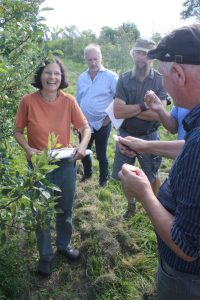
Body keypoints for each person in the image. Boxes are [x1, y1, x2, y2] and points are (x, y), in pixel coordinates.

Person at [118, 24, 200, 300]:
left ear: (177, 73)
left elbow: (187, 247)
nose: (163, 83)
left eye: (163, 75)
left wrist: (144, 194)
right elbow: (188, 147)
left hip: (185, 279)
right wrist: (145, 145)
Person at [13, 57, 91, 276]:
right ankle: (45, 256)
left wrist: (83, 147)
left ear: (62, 77)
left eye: (56, 73)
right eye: (48, 73)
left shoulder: (68, 101)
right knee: (41, 212)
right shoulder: (27, 101)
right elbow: (17, 131)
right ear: (40, 76)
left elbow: (85, 128)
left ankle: (64, 246)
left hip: (66, 163)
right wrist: (28, 150)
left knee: (65, 209)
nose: (52, 77)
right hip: (39, 166)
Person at [112, 38, 170, 220]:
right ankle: (131, 206)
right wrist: (145, 106)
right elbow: (118, 111)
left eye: (145, 53)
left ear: (151, 57)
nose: (141, 57)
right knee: (125, 174)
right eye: (138, 52)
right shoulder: (123, 79)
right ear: (133, 55)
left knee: (152, 174)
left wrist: (130, 110)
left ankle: (154, 207)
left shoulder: (160, 80)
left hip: (150, 136)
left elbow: (159, 114)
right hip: (126, 136)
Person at [76, 43, 118, 187]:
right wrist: (76, 121)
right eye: (90, 59)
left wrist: (108, 119)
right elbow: (78, 99)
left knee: (101, 154)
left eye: (96, 59)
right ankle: (87, 173)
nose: (93, 62)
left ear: (101, 58)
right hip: (84, 124)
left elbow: (118, 99)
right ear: (85, 59)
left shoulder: (111, 77)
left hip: (102, 123)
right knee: (84, 150)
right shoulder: (82, 77)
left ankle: (103, 179)